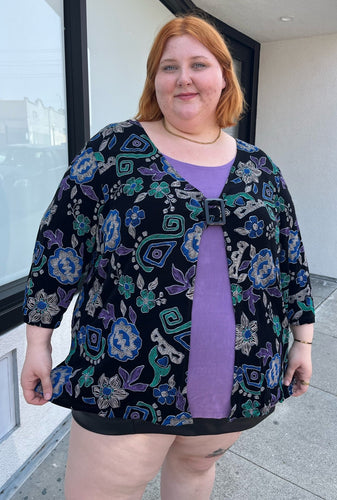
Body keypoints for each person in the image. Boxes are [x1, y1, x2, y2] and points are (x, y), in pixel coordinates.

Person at [21, 15, 315, 500]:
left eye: (199, 64)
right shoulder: (116, 149)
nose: (183, 78)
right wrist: (38, 342)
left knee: (196, 474)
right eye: (167, 66)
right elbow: (61, 245)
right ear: (153, 80)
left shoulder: (260, 167)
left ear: (224, 76)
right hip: (126, 376)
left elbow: (290, 257)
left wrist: (302, 343)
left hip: (241, 375)